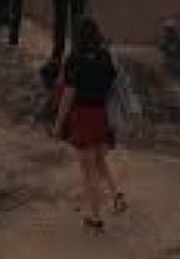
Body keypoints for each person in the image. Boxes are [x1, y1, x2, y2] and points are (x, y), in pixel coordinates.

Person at [52, 17, 127, 232]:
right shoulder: (104, 56)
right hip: (101, 115)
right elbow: (112, 84)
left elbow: (68, 94)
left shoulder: (74, 59)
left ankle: (95, 219)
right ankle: (115, 195)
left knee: (88, 173)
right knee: (98, 161)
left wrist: (58, 124)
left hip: (82, 117)